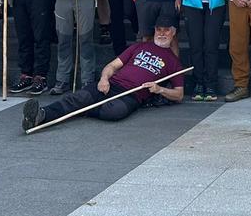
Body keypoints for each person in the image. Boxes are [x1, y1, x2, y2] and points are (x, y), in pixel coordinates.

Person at [21, 16, 185, 131]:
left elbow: (179, 94)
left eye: (166, 31)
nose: (161, 33)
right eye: (158, 29)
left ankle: (82, 108)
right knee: (78, 97)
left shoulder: (174, 62)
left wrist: (160, 89)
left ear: (173, 33)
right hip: (112, 84)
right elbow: (112, 66)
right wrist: (104, 79)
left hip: (132, 95)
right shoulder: (139, 47)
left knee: (115, 112)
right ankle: (41, 115)